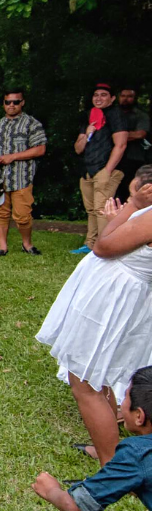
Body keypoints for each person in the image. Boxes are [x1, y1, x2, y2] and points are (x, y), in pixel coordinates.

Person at [36, 165, 152, 465]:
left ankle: (110, 465)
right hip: (122, 297)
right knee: (99, 374)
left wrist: (133, 207)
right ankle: (108, 446)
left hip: (115, 301)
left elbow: (102, 246)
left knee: (85, 382)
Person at [32, 366, 152, 511]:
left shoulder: (137, 454)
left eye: (125, 397)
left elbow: (76, 506)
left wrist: (51, 490)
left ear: (139, 416)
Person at [0, 87, 47, 256]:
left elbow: (40, 149)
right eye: (8, 102)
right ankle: (2, 247)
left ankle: (27, 244)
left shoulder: (32, 124)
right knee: (0, 213)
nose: (12, 105)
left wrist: (13, 157)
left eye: (16, 102)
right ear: (3, 104)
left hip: (21, 177)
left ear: (22, 103)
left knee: (23, 216)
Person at [73, 83, 128, 253]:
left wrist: (108, 171)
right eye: (96, 94)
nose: (99, 98)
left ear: (112, 98)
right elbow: (78, 148)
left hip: (106, 170)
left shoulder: (116, 115)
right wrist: (88, 131)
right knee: (91, 210)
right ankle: (90, 244)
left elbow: (121, 145)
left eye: (104, 95)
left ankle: (104, 246)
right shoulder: (89, 116)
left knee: (102, 209)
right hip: (88, 170)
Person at [118, 85, 149, 198]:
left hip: (133, 158)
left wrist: (116, 136)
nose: (126, 99)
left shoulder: (141, 115)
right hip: (112, 159)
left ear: (135, 98)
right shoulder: (112, 114)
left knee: (129, 191)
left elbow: (140, 134)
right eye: (123, 96)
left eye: (129, 96)